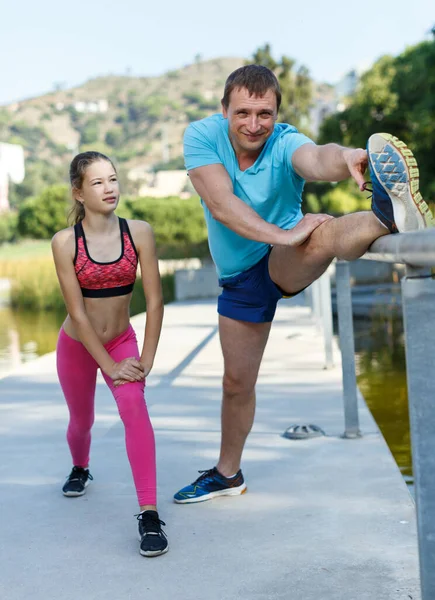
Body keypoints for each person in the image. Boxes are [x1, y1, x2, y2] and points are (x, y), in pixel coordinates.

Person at [173, 64, 433, 504]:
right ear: (223, 111)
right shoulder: (202, 137)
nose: (254, 125)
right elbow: (222, 205)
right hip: (240, 276)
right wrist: (283, 232)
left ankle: (388, 217)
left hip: (285, 260)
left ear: (277, 113)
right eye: (243, 113)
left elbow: (316, 157)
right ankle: (227, 474)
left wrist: (349, 155)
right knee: (236, 384)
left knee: (324, 235)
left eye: (265, 114)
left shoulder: (284, 140)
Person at [51, 151, 168, 557]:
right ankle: (80, 466)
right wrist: (111, 367)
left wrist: (145, 361)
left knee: (135, 408)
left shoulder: (139, 232)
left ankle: (149, 515)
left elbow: (154, 302)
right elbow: (78, 315)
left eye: (113, 179)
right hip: (78, 346)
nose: (109, 188)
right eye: (98, 182)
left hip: (123, 341)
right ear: (78, 192)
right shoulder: (65, 242)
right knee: (81, 420)